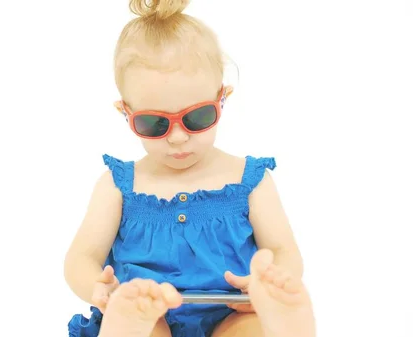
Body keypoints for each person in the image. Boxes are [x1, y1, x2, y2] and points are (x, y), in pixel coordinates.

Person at [64, 0, 316, 336]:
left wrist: (270, 282)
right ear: (125, 112)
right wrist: (98, 288)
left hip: (233, 309)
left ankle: (284, 324)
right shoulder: (119, 186)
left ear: (222, 98)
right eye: (154, 124)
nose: (179, 138)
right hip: (146, 311)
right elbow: (80, 258)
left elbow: (284, 250)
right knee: (142, 325)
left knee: (251, 328)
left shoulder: (249, 181)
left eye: (197, 117)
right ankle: (126, 324)